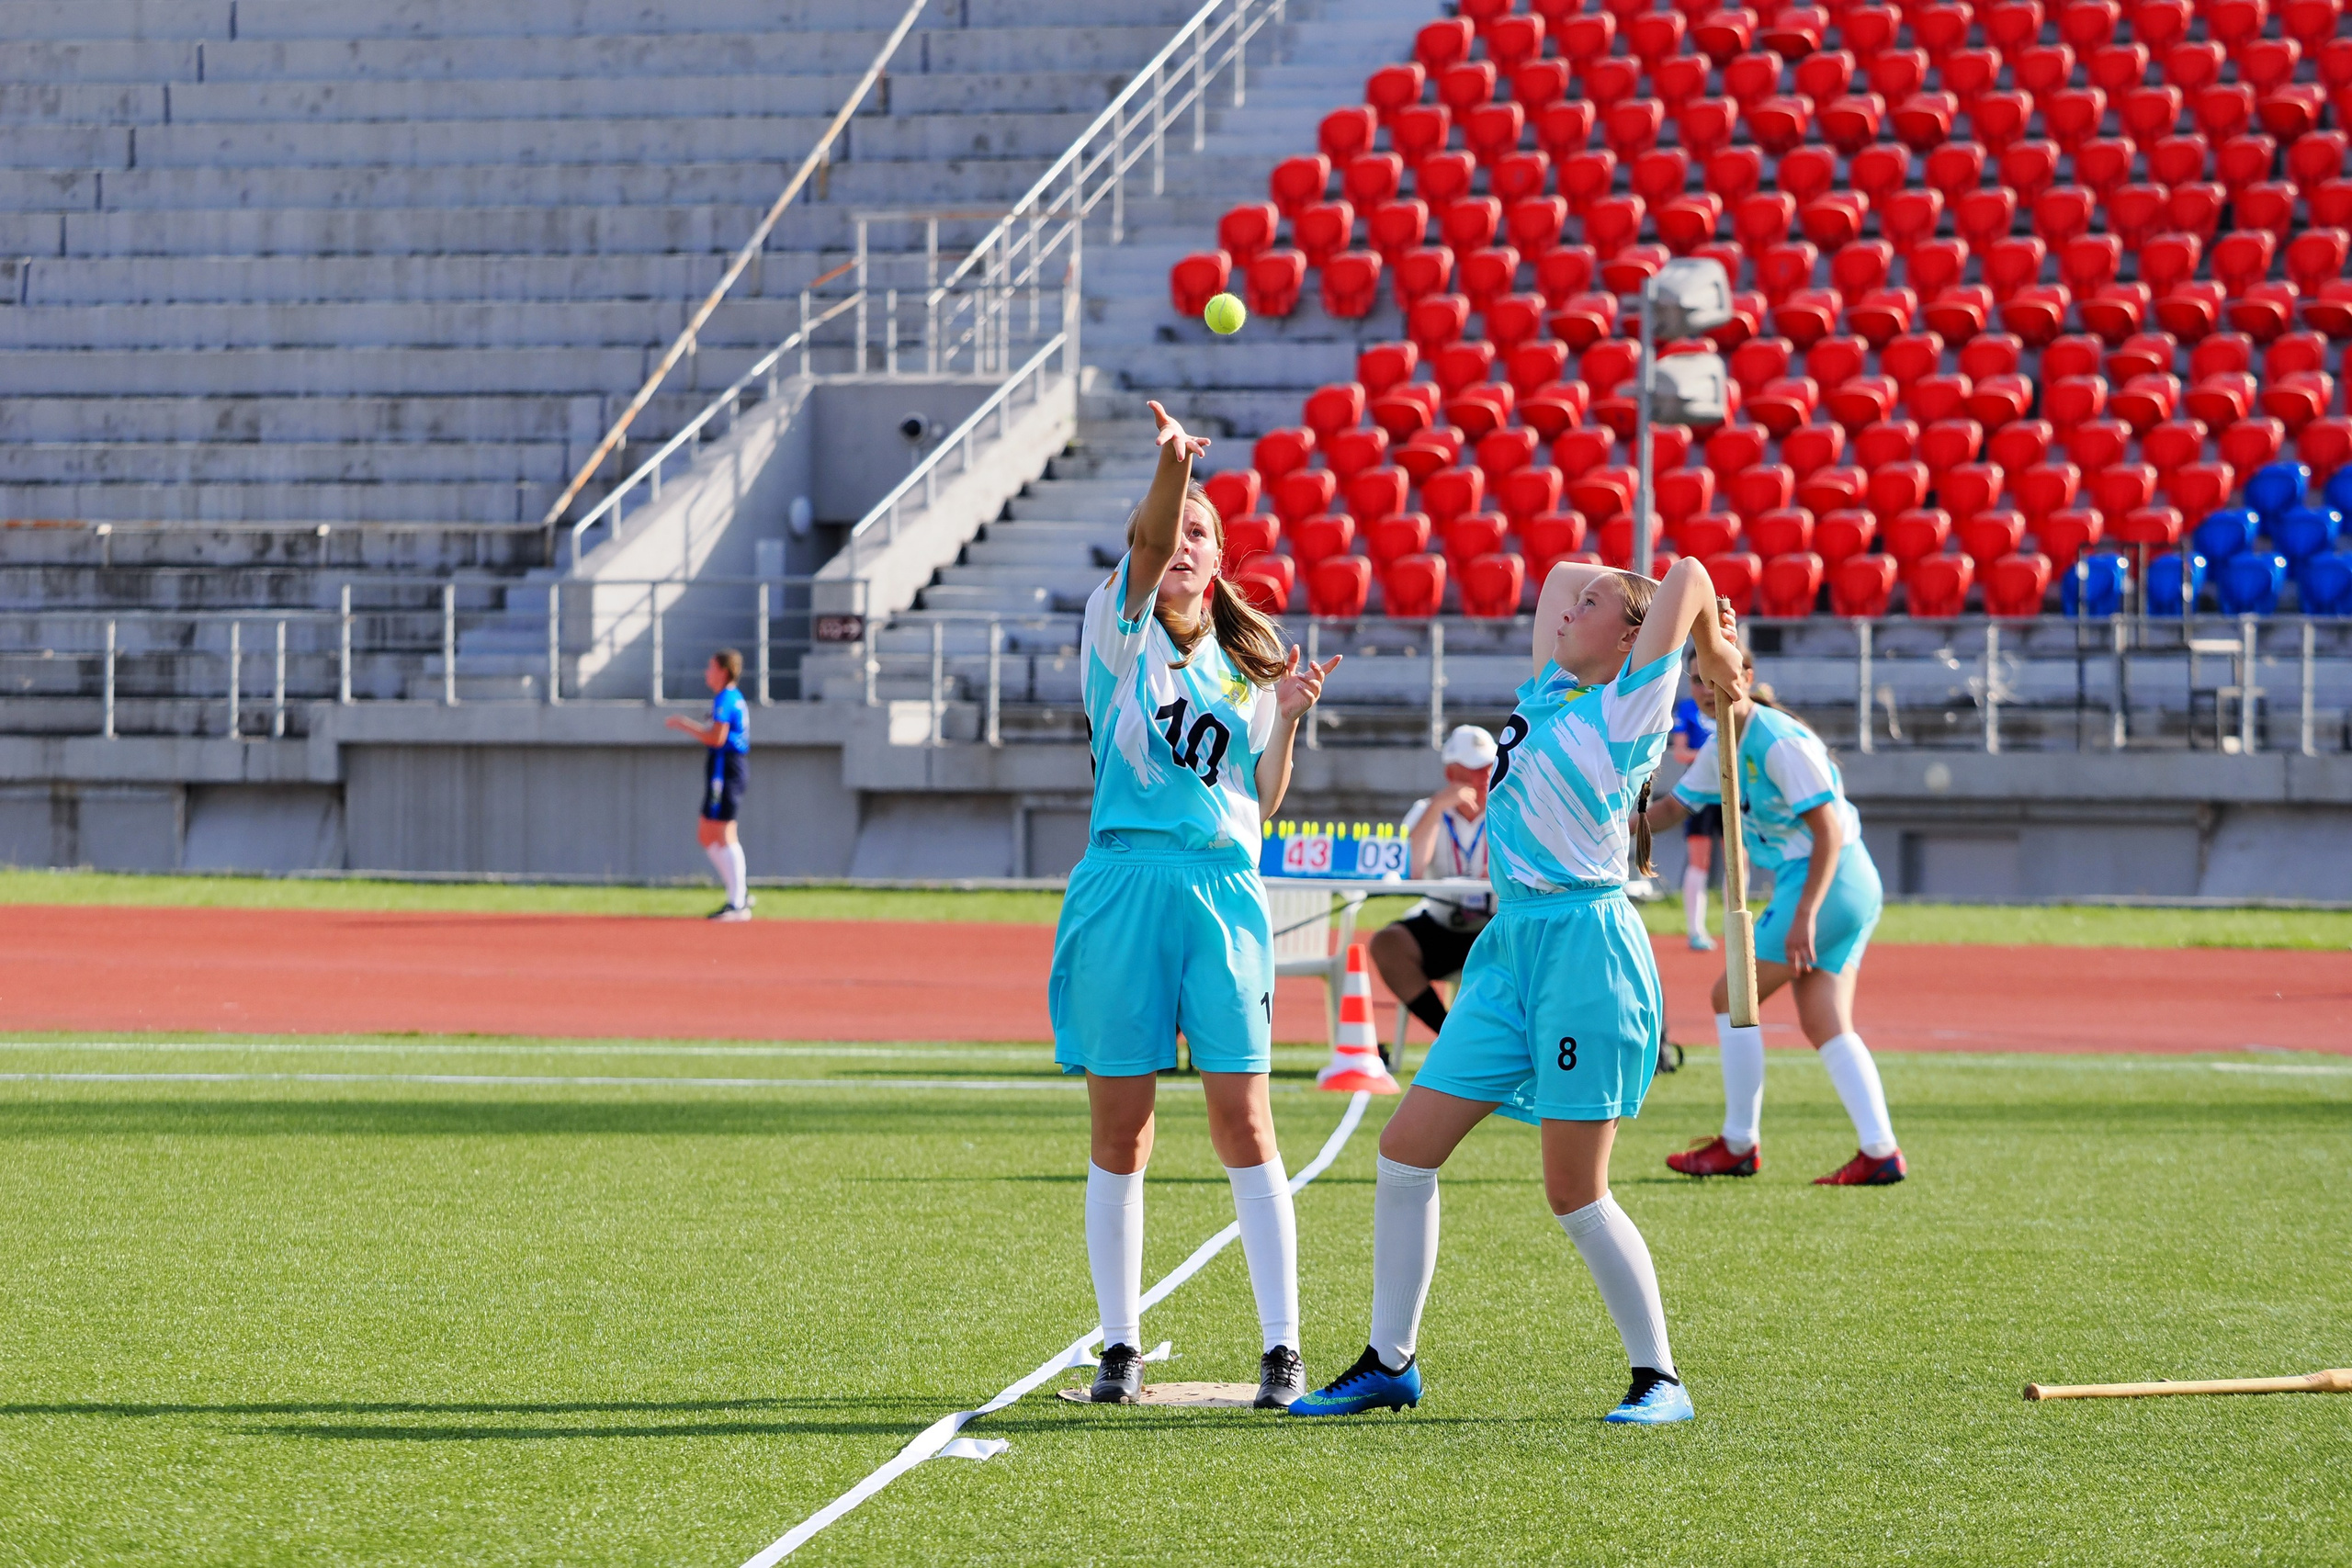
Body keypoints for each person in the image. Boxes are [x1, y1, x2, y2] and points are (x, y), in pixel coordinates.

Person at [1289, 557, 1746, 1427]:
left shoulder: (1630, 705)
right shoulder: (1545, 692)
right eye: (1575, 605)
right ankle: (1390, 1361)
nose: (1570, 608)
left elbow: (1688, 571)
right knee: (1404, 1149)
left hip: (1585, 951)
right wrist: (1653, 614)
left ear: (1630, 638)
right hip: (1508, 953)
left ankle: (1660, 1377)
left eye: (1593, 607)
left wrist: (1710, 647)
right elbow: (1565, 571)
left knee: (1574, 1189)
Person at [1049, 399, 1340, 1410]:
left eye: (1199, 537)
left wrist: (1287, 722)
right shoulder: (1118, 627)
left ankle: (1281, 1349)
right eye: (1173, 532)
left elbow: (1258, 800)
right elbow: (1147, 536)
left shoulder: (1246, 666)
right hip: (1124, 883)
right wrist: (1173, 466)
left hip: (1221, 890)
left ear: (1219, 561)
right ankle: (1119, 1348)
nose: (1181, 546)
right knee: (1121, 1128)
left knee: (1244, 1119)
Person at [1645, 659, 1905, 1186]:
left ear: (1743, 675)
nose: (1705, 688)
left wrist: (1804, 914)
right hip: (1833, 881)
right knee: (1824, 1020)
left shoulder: (1778, 741)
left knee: (1730, 997)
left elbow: (1829, 832)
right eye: (1695, 679)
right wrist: (1605, 829)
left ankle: (1739, 1143)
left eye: (1715, 674)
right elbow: (1671, 810)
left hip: (1828, 880)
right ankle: (1880, 1151)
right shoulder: (1724, 742)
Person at [1368, 724, 1497, 1055]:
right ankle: (1452, 1036)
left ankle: (1511, 1046)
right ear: (1451, 773)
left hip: (1495, 926)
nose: (1484, 776)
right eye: (1474, 768)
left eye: (1489, 766)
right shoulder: (1427, 810)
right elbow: (1411, 870)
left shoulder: (1508, 808)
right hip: (1441, 921)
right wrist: (1437, 808)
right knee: (1387, 944)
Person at [664, 649, 752, 921]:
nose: (707, 672)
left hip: (725, 768)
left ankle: (737, 903)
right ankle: (738, 891)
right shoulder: (730, 697)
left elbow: (717, 738)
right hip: (723, 767)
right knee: (706, 833)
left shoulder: (726, 698)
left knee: (724, 832)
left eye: (711, 667)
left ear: (723, 671)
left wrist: (684, 725)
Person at [1669, 676, 1721, 952]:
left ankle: (1738, 926)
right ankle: (1695, 930)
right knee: (1699, 860)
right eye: (1698, 679)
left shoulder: (1731, 704)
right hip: (1698, 791)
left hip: (1732, 791)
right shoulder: (1688, 708)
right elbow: (1680, 752)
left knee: (1740, 859)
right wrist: (1711, 755)